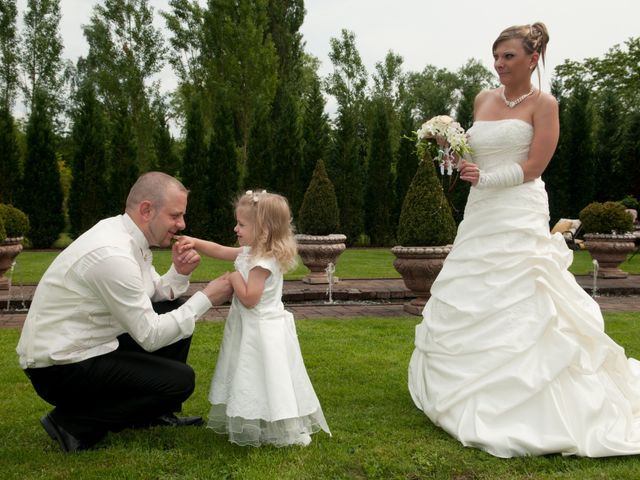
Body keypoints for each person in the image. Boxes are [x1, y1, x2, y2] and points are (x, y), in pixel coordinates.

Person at [408, 22, 640, 458]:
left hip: (518, 208)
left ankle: (531, 395)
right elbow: (470, 160)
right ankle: (463, 384)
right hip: (481, 212)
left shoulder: (544, 104)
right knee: (471, 289)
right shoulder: (482, 99)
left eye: (508, 56)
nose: (499, 64)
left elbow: (535, 166)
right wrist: (450, 150)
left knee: (520, 290)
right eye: (496, 56)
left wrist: (487, 177)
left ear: (532, 59)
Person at [16, 172, 233, 453]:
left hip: (88, 349)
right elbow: (151, 335)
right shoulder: (112, 253)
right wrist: (207, 298)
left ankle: (152, 415)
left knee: (172, 309)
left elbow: (155, 293)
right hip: (60, 368)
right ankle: (71, 422)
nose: (182, 224)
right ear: (146, 210)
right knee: (180, 381)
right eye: (175, 215)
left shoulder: (126, 236)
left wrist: (179, 273)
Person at [175, 190, 331, 447]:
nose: (236, 228)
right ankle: (256, 421)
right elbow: (219, 249)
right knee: (252, 376)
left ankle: (280, 428)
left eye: (242, 224)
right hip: (250, 327)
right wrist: (194, 241)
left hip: (260, 330)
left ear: (263, 229)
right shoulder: (250, 253)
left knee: (264, 376)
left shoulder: (262, 263)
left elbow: (250, 298)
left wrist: (234, 278)